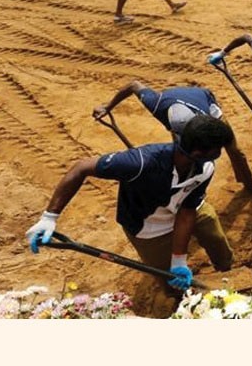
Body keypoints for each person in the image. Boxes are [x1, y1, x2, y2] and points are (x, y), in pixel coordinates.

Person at [26, 114, 236, 293]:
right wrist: (49, 218)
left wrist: (180, 261)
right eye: (218, 150)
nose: (220, 155)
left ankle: (228, 272)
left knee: (211, 227)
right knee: (170, 280)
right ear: (198, 153)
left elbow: (188, 211)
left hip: (182, 209)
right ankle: (179, 301)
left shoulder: (205, 167)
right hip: (148, 227)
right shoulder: (140, 163)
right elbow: (81, 168)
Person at [92, 82, 252, 198]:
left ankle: (249, 183)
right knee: (184, 157)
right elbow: (133, 85)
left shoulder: (208, 118)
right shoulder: (156, 104)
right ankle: (186, 190)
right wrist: (108, 106)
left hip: (204, 105)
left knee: (235, 151)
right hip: (177, 106)